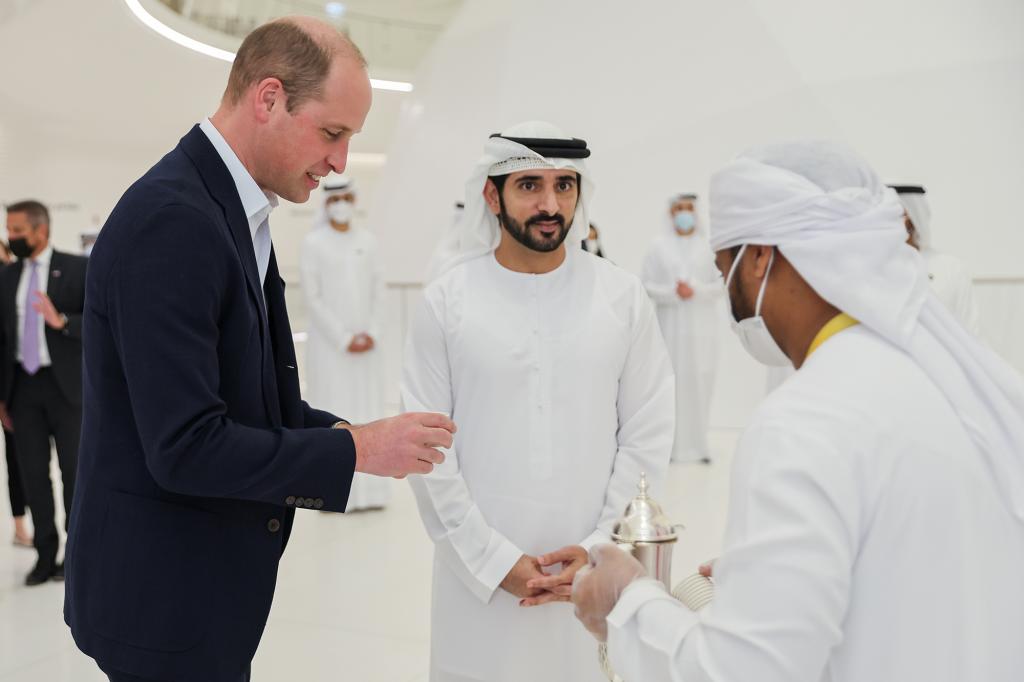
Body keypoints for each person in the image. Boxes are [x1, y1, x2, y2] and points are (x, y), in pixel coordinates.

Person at [63, 18, 453, 682]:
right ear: (268, 98)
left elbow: (255, 403)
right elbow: (187, 446)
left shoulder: (229, 211)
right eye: (333, 134)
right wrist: (355, 450)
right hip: (161, 607)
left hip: (195, 597)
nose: (338, 164)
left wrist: (356, 436)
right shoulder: (174, 220)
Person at [572, 140, 1024, 682]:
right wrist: (766, 583)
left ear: (760, 257)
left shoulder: (803, 421)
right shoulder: (954, 381)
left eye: (724, 271)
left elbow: (742, 671)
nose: (731, 300)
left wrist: (628, 603)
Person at [404, 120, 674, 682]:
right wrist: (494, 561)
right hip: (474, 582)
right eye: (529, 185)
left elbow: (648, 433)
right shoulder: (445, 302)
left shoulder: (622, 298)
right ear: (491, 194)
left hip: (594, 579)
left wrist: (599, 549)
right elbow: (427, 452)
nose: (551, 203)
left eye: (565, 185)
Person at [0, 200, 87, 585]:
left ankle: (76, 554)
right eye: (9, 230)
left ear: (41, 230)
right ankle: (44, 555)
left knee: (74, 474)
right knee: (33, 475)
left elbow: (103, 321)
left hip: (67, 389)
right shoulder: (7, 276)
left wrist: (63, 320)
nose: (11, 237)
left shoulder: (77, 268)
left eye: (18, 231)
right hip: (23, 389)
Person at [300, 177, 389, 511]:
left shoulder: (368, 241)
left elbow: (380, 290)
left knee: (368, 413)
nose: (342, 204)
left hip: (368, 349)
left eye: (347, 197)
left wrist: (373, 333)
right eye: (336, 198)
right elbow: (313, 297)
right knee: (335, 415)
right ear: (326, 203)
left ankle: (372, 494)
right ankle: (339, 496)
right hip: (331, 350)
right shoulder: (314, 243)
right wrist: (344, 337)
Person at [641, 194, 723, 463]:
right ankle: (673, 448)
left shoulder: (709, 247)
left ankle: (700, 447)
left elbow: (721, 284)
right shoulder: (658, 247)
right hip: (670, 329)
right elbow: (647, 284)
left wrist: (695, 290)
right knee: (671, 384)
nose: (684, 214)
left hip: (702, 331)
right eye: (679, 209)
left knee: (701, 381)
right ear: (670, 213)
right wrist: (673, 292)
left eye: (688, 209)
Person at [891, 184, 980, 334]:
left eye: (899, 214)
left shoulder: (949, 267)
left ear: (913, 219)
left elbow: (970, 330)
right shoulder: (873, 268)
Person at [0, 237, 31, 549]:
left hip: (19, 385)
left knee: (17, 456)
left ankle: (21, 525)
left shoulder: (12, 279)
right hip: (10, 385)